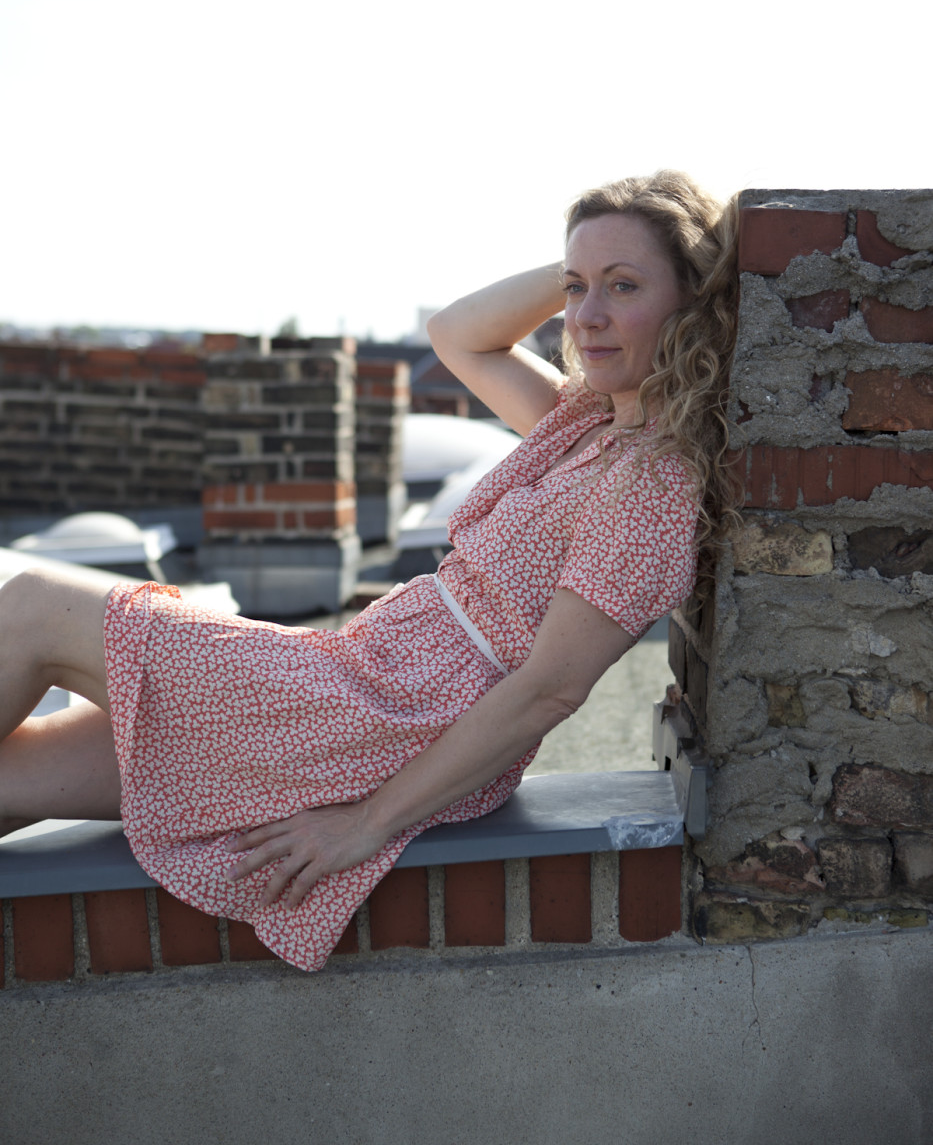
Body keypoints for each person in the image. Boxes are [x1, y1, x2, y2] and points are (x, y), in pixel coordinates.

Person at [0, 170, 737, 971]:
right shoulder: (587, 420)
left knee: (38, 604)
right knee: (14, 777)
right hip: (360, 680)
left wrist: (365, 823)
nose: (586, 316)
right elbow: (459, 334)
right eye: (574, 289)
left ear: (690, 300)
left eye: (623, 287)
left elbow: (551, 689)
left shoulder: (651, 482)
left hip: (391, 718)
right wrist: (589, 261)